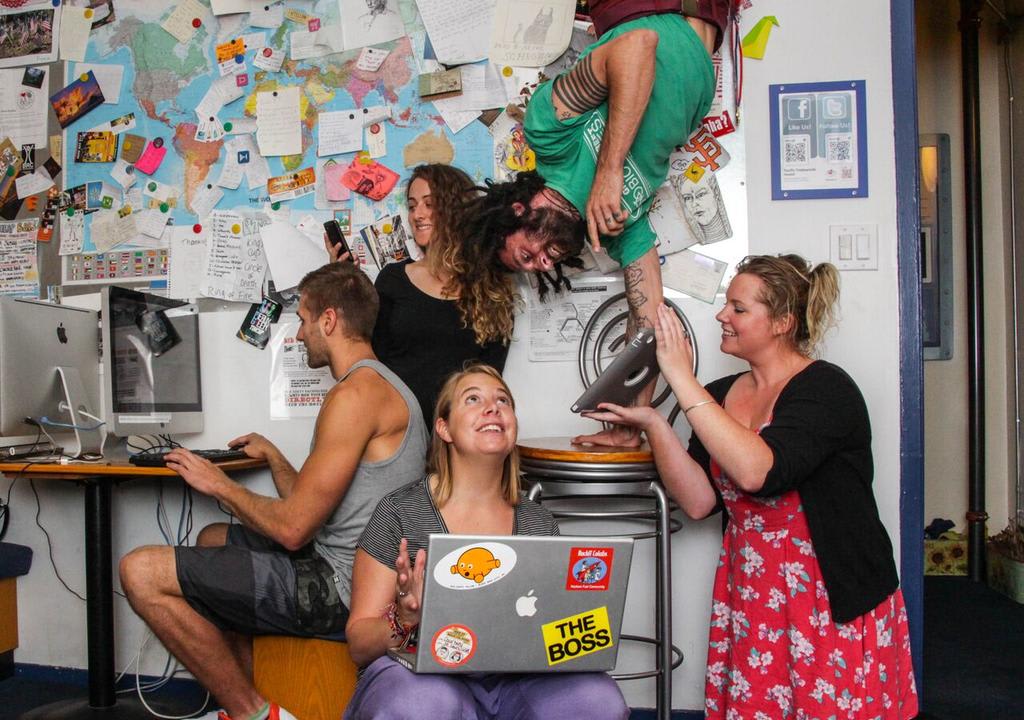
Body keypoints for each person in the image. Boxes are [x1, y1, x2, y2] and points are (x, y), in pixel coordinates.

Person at [583, 255, 919, 719]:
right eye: (725, 305)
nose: (722, 315)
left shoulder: (826, 389)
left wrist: (679, 376)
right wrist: (654, 423)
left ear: (782, 321)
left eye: (738, 308)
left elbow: (758, 471)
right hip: (753, 590)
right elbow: (700, 501)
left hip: (827, 593)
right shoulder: (720, 394)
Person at [119, 262, 429, 720]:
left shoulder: (355, 397)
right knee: (211, 539)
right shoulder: (383, 385)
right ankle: (257, 691)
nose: (300, 334)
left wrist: (218, 484)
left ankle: (251, 712)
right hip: (341, 560)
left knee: (139, 571)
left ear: (329, 320)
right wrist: (274, 457)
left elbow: (293, 530)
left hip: (341, 588)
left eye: (303, 320)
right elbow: (315, 503)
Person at [463, 1, 731, 444]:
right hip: (709, 20)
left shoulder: (549, 133)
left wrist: (609, 171)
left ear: (518, 211)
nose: (541, 263)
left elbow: (637, 47)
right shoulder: (614, 229)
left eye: (527, 253)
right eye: (536, 268)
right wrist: (631, 424)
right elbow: (650, 325)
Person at [343, 364, 630, 720]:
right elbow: (358, 644)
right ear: (444, 428)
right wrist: (404, 619)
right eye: (473, 399)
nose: (493, 408)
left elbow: (553, 639)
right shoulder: (399, 512)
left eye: (503, 400)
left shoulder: (538, 524)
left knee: (597, 699)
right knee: (425, 702)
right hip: (424, 678)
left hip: (515, 682)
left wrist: (580, 632)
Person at [328, 164, 516, 422]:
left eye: (430, 204)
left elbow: (490, 379)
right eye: (413, 205)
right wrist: (343, 285)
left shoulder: (492, 288)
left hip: (460, 434)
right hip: (395, 433)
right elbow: (366, 358)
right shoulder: (393, 279)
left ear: (457, 210)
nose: (417, 214)